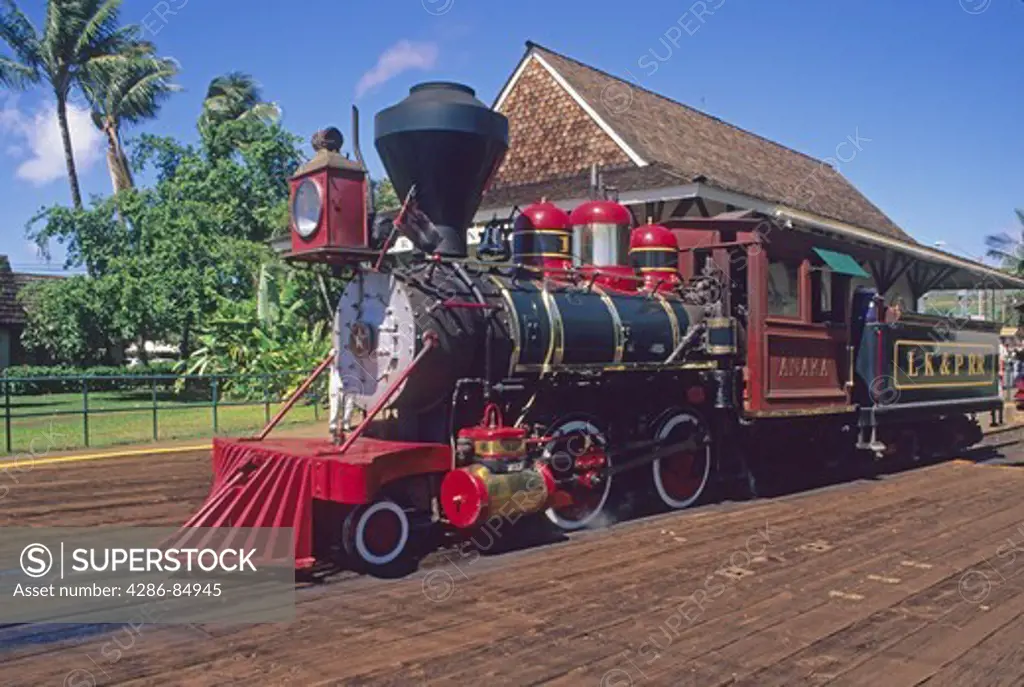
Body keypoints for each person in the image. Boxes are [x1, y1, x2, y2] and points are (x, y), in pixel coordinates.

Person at [328, 362, 355, 439]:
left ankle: (345, 426)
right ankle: (333, 426)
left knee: (349, 406)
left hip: (350, 382)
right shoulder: (334, 351)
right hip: (336, 382)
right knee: (335, 405)